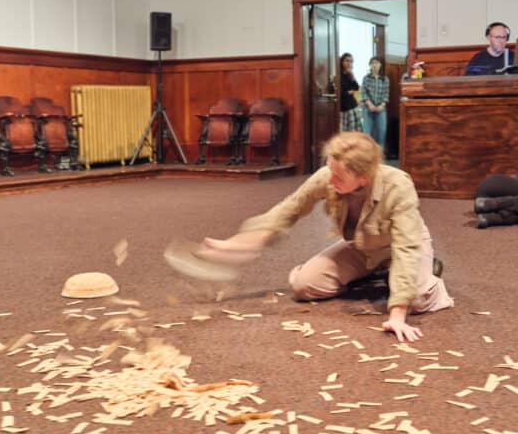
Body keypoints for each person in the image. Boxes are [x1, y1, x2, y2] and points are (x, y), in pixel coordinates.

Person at [194, 131, 453, 342]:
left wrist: (397, 315)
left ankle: (427, 273)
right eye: (329, 170)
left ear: (363, 177)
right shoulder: (328, 176)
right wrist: (243, 242)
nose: (330, 180)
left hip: (403, 245)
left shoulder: (399, 186)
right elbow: (290, 209)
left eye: (338, 177)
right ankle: (381, 273)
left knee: (414, 301)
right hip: (363, 244)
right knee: (304, 286)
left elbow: (407, 248)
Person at [361, 56, 389, 149]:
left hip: (381, 109)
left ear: (380, 65)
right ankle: (367, 155)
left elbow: (386, 94)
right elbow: (364, 93)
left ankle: (379, 157)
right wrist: (370, 104)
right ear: (370, 65)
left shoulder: (385, 79)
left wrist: (382, 105)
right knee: (367, 133)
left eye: (377, 63)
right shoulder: (366, 78)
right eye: (372, 63)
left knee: (381, 132)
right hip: (368, 109)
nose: (374, 65)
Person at [337, 53, 363, 132]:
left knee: (356, 133)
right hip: (343, 110)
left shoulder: (349, 75)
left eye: (351, 62)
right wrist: (350, 92)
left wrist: (352, 76)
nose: (349, 63)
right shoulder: (338, 75)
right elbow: (340, 93)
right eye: (347, 61)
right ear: (342, 62)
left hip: (353, 106)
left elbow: (356, 87)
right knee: (345, 134)